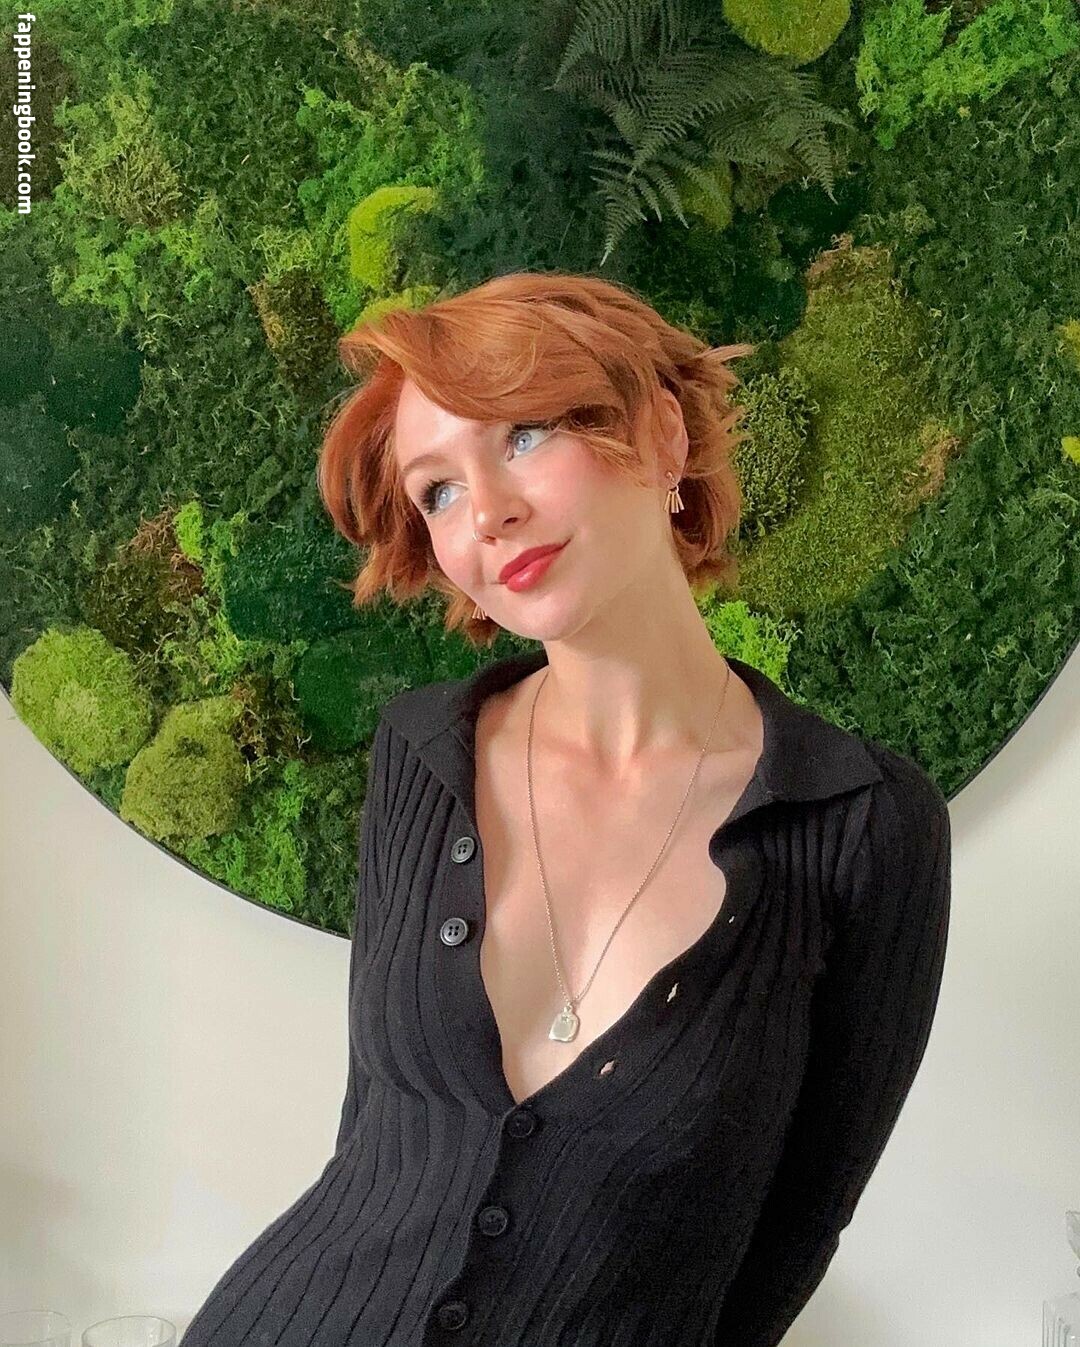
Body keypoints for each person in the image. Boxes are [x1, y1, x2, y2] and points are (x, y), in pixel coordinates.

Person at [181, 271, 951, 1347]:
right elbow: (377, 1141)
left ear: (662, 437)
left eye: (526, 434)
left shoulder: (865, 823)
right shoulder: (423, 754)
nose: (486, 512)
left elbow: (792, 1230)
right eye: (437, 491)